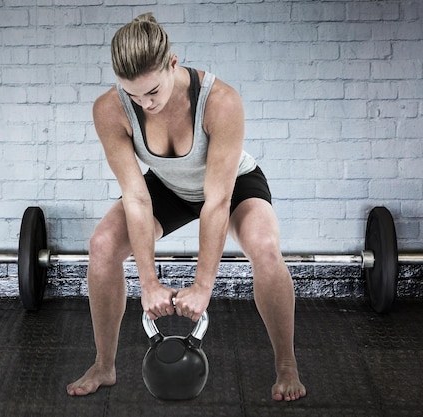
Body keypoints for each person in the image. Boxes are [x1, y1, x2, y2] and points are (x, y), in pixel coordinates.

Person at [66, 13, 306, 402]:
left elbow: (218, 201)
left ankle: (286, 366)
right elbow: (137, 197)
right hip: (168, 186)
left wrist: (202, 286)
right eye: (133, 95)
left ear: (172, 64)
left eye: (153, 92)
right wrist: (149, 284)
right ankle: (104, 365)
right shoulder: (109, 109)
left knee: (264, 247)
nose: (145, 104)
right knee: (103, 244)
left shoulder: (220, 101)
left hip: (232, 185)